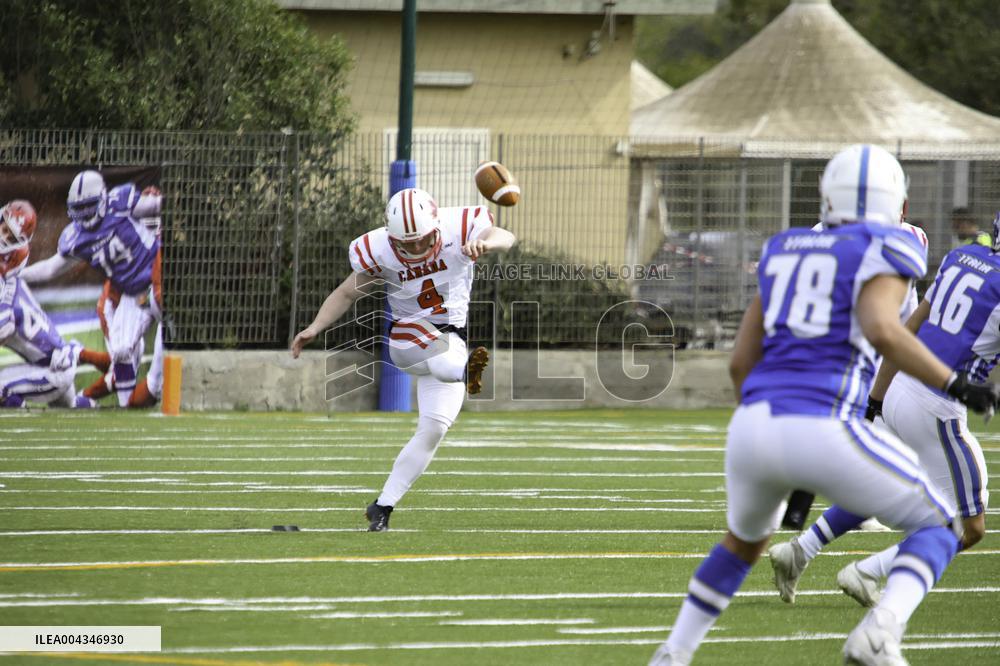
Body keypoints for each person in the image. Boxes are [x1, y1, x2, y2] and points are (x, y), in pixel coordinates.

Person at [648, 144, 1000, 666]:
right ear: (894, 200)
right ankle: (880, 633)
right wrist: (955, 382)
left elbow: (741, 362)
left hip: (755, 424)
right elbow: (886, 330)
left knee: (741, 545)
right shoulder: (890, 245)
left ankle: (672, 654)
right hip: (822, 421)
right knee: (944, 524)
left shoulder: (785, 247)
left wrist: (768, 434)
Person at [768, 214, 996, 610]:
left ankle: (798, 551)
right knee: (968, 525)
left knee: (882, 485)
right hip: (936, 403)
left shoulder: (960, 257)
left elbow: (908, 328)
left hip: (900, 382)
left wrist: (877, 397)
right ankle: (870, 571)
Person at [291, 187, 516, 531]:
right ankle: (466, 371)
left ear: (436, 226)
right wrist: (315, 327)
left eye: (421, 240)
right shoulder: (378, 249)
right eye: (405, 243)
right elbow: (347, 291)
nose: (414, 249)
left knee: (434, 429)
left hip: (451, 337)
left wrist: (487, 243)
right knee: (438, 348)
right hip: (407, 337)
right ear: (390, 235)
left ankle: (382, 507)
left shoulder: (460, 226)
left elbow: (505, 235)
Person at [19, 170, 162, 408]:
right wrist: (17, 274)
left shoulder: (121, 204)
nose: (84, 214)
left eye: (88, 206)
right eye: (80, 208)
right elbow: (51, 268)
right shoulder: (76, 236)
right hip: (131, 293)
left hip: (156, 281)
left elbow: (156, 206)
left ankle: (160, 380)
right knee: (122, 351)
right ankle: (126, 407)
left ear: (103, 198)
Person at [0, 200, 110, 408]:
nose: (3, 236)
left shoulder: (7, 288)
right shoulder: (13, 280)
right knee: (73, 409)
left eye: (10, 235)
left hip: (53, 372)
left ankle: (22, 423)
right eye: (4, 228)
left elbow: (4, 329)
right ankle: (97, 410)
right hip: (51, 363)